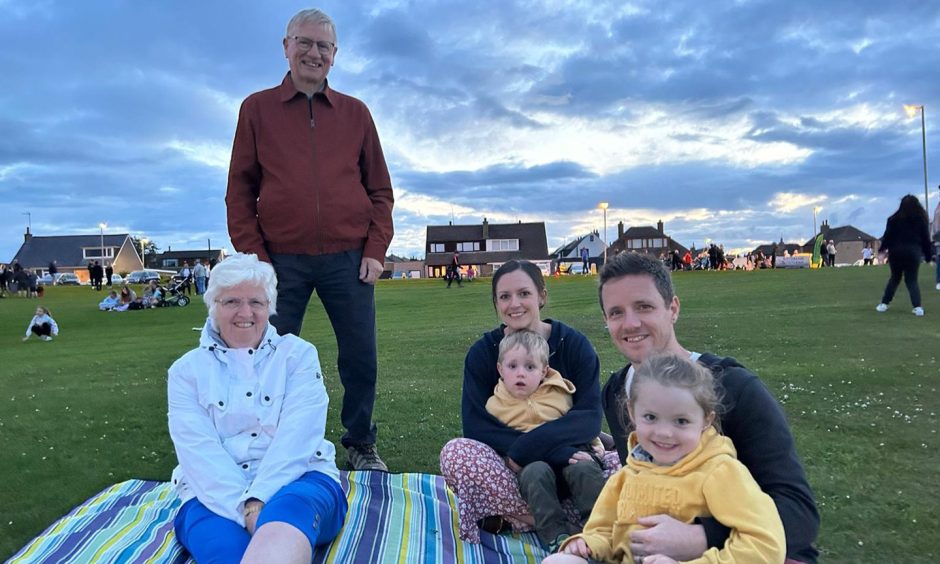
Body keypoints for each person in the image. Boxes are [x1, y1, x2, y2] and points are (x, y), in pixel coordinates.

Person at [226, 8, 394, 471]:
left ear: (335, 56)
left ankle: (359, 442)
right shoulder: (256, 109)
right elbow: (239, 191)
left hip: (350, 259)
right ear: (286, 46)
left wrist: (376, 250)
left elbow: (380, 190)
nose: (313, 53)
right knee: (268, 358)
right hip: (280, 263)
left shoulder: (356, 114)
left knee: (360, 358)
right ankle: (269, 442)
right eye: (304, 42)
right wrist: (257, 261)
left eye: (324, 46)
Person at [595, 252, 818, 563]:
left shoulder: (734, 387)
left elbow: (799, 513)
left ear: (672, 308)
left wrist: (702, 536)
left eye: (644, 307)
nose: (631, 323)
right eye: (616, 312)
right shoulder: (618, 391)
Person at [168, 252, 347, 564]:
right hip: (210, 494)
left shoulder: (298, 356)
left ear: (270, 308)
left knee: (282, 529)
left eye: (256, 302)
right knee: (226, 552)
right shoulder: (186, 371)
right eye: (231, 302)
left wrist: (259, 499)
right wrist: (243, 507)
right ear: (213, 307)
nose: (245, 312)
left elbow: (299, 437)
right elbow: (198, 451)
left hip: (300, 480)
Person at [549, 354, 785, 564]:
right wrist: (587, 543)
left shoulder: (719, 471)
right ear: (632, 413)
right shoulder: (629, 473)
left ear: (706, 420)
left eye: (681, 421)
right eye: (651, 417)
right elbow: (603, 529)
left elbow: (766, 543)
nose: (664, 433)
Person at [439, 260, 606, 544]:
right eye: (505, 296)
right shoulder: (483, 353)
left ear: (541, 296)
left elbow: (589, 416)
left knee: (631, 460)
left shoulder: (573, 345)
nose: (514, 304)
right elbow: (478, 428)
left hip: (573, 461)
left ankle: (532, 520)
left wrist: (538, 449)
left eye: (524, 294)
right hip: (516, 473)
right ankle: (559, 522)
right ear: (495, 303)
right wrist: (537, 453)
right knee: (456, 454)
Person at [486, 330, 606, 552]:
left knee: (584, 468)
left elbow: (577, 428)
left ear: (544, 371)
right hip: (532, 467)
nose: (520, 374)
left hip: (571, 458)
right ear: (500, 370)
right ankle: (555, 535)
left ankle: (600, 530)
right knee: (536, 473)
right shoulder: (496, 405)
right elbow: (500, 444)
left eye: (530, 367)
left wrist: (596, 445)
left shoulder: (559, 394)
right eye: (512, 366)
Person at [876, 194, 934, 316]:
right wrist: (929, 257)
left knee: (895, 278)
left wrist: (881, 251)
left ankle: (884, 304)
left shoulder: (893, 219)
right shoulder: (920, 220)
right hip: (913, 252)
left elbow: (887, 237)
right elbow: (925, 240)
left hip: (896, 252)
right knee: (912, 280)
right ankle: (917, 307)